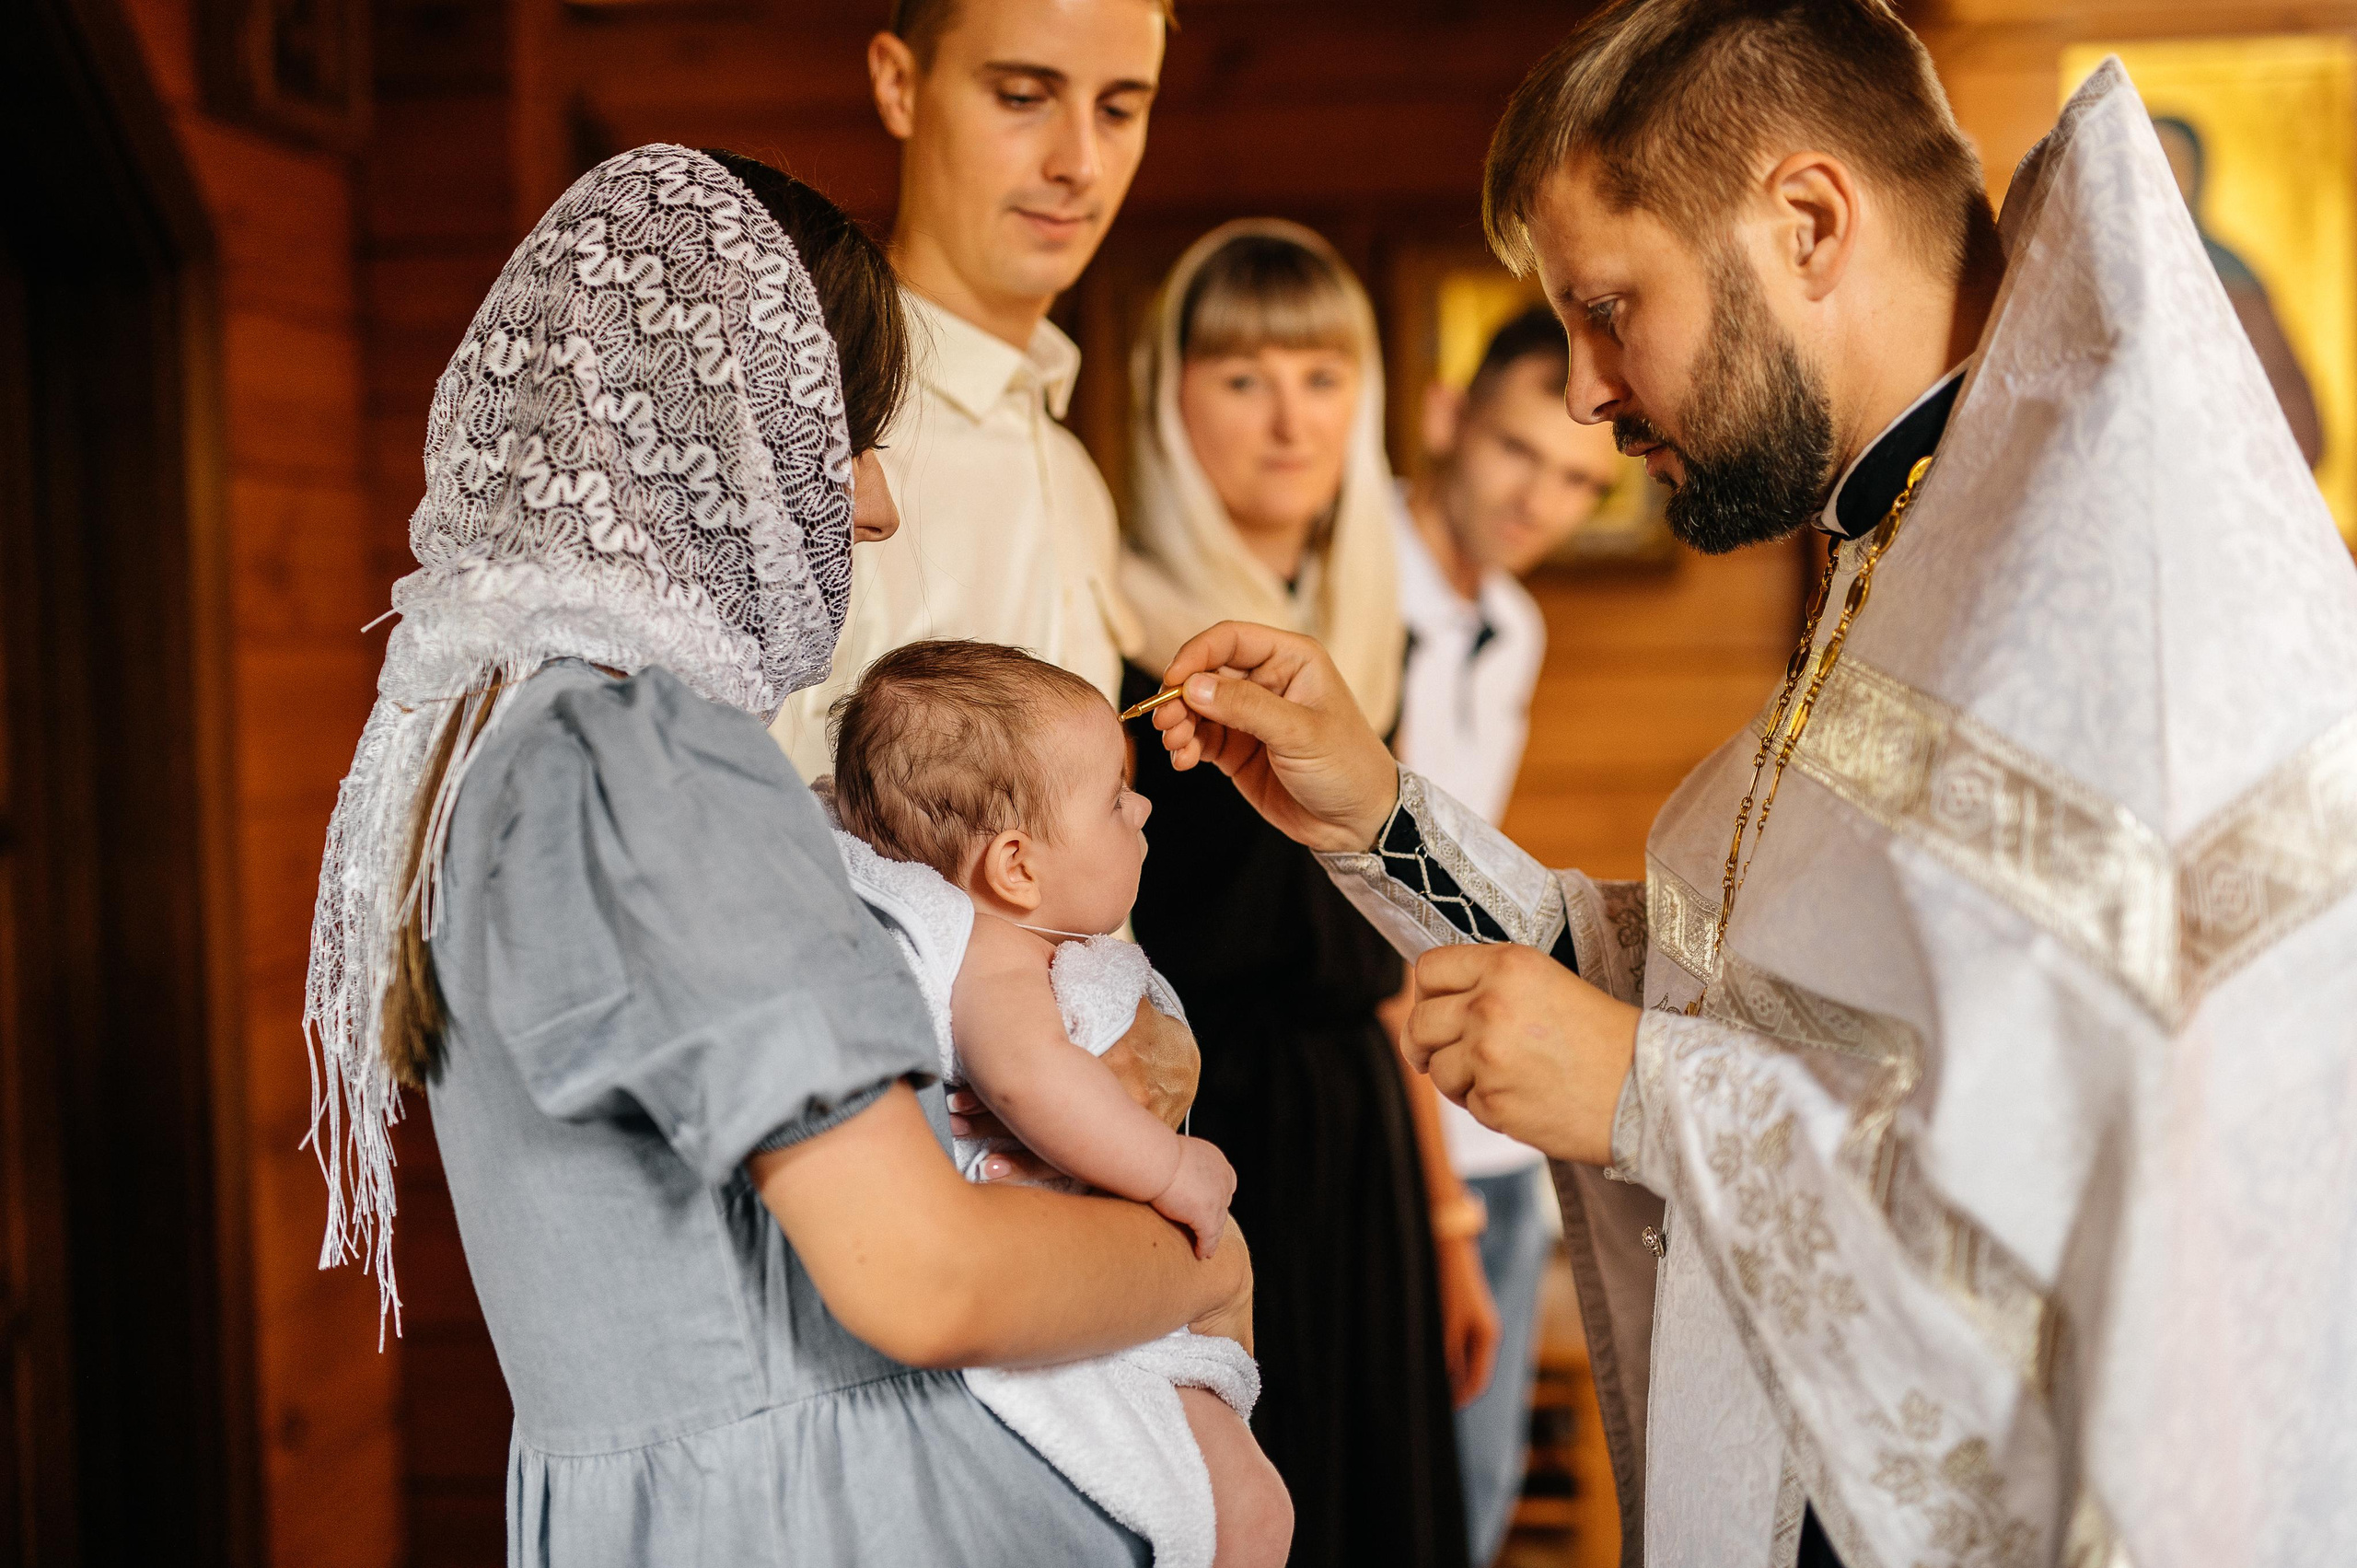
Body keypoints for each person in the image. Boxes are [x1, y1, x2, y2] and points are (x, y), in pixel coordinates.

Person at [1139, 7, 2357, 1567]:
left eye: (1606, 306)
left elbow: (2123, 1206)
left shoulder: (2119, 602)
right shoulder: (1914, 547)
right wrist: (1377, 819)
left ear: (1805, 223)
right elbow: (1733, 1006)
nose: (1583, 388)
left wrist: (1647, 1092)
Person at [301, 145, 1254, 1566]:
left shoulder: (501, 735)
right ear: (723, 426)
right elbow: (919, 1271)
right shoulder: (644, 756)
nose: (872, 504)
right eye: (843, 435)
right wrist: (1195, 1262)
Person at [1120, 219, 1475, 1568]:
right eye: (1242, 376)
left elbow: (1392, 953)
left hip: (1363, 1137)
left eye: (1323, 375)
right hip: (1202, 1144)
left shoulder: (1370, 637)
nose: (1288, 420)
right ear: (1170, 398)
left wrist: (1446, 1215)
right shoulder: (1111, 634)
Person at [830, 637, 1292, 1568]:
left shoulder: (1021, 937)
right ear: (1016, 869)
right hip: (1058, 1328)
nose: (1145, 805)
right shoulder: (993, 960)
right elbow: (1028, 1078)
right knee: (1252, 1513)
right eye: (1115, 800)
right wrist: (1171, 1166)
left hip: (1108, 1293)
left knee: (1250, 1506)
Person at [768, 0, 1173, 777]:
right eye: (1023, 96)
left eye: (1119, 109)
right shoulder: (822, 437)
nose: (1080, 163)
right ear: (898, 84)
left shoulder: (1072, 472)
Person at [1392, 304, 1623, 1566]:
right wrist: (1440, 1207)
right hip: (1390, 1110)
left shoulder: (1515, 626)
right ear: (1446, 418)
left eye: (1581, 478)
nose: (1543, 498)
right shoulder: (1351, 581)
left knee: (1475, 1501)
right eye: (1519, 453)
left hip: (1492, 1114)